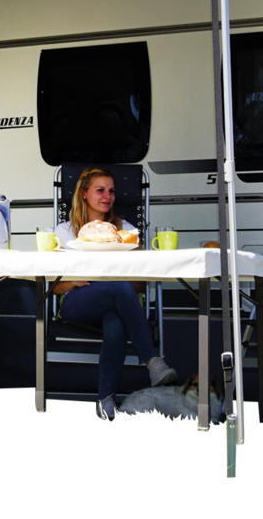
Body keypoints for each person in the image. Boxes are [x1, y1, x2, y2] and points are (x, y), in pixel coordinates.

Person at [52, 166, 178, 420]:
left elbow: (141, 284)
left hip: (118, 305)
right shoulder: (64, 232)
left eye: (111, 191)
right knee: (119, 287)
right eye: (100, 190)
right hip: (78, 302)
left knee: (116, 322)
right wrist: (74, 282)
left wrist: (115, 284)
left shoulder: (126, 232)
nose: (107, 196)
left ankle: (105, 399)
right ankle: (152, 360)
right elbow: (54, 287)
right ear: (84, 194)